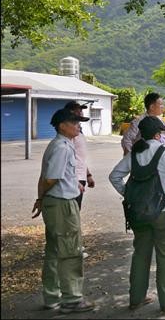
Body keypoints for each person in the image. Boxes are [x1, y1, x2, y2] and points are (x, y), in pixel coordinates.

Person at [109, 116, 165, 313]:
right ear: (157, 134)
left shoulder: (133, 155)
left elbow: (114, 176)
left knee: (140, 255)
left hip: (138, 213)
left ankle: (136, 298)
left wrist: (129, 194)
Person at [31, 108, 95, 314]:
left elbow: (45, 178)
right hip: (62, 203)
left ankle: (52, 296)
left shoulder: (59, 145)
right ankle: (72, 299)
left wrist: (41, 198)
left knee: (54, 250)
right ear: (62, 126)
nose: (78, 125)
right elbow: (51, 178)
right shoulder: (62, 147)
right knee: (70, 251)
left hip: (54, 201)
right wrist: (43, 197)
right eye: (74, 121)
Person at [64, 101, 95, 210]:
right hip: (73, 178)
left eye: (81, 110)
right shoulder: (70, 134)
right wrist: (75, 181)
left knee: (76, 210)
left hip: (81, 177)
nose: (81, 112)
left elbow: (80, 157)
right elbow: (67, 159)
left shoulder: (79, 132)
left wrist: (88, 175)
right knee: (72, 211)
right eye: (78, 110)